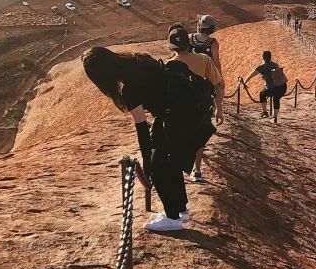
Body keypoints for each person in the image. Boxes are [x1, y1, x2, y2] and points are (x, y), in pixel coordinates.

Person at [82, 41, 217, 234]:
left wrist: (147, 162)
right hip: (184, 110)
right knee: (171, 163)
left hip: (177, 117)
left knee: (159, 165)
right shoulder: (137, 60)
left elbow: (141, 127)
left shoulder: (129, 89)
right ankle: (180, 210)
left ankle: (172, 218)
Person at [189, 16, 223, 182]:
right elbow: (216, 63)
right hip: (204, 88)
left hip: (184, 85)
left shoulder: (189, 38)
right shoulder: (212, 43)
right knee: (200, 129)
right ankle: (197, 169)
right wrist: (220, 82)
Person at [249, 50, 288, 123]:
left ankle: (265, 113)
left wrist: (244, 82)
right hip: (283, 86)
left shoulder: (263, 66)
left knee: (262, 94)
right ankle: (275, 118)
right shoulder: (275, 64)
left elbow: (252, 74)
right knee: (276, 99)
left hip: (274, 87)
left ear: (263, 57)